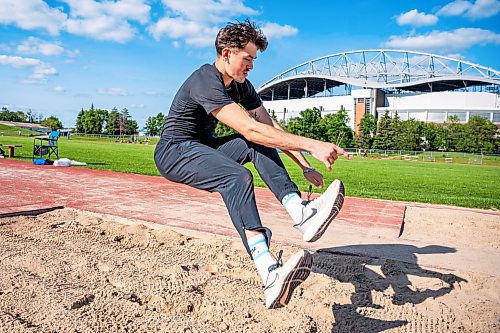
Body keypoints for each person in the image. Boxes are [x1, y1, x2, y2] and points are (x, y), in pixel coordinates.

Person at [154, 20, 350, 309]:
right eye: (247, 58)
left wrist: (303, 164)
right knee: (238, 177)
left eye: (254, 60)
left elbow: (268, 126)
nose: (251, 66)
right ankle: (269, 272)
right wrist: (312, 143)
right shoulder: (204, 80)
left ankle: (300, 212)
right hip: (175, 151)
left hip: (204, 147)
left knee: (257, 143)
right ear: (226, 53)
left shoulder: (242, 87)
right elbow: (250, 128)